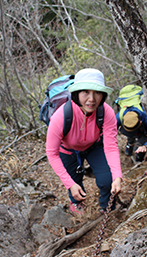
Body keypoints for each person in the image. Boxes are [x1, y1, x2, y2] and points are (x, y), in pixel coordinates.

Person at [46, 68, 122, 215]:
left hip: (94, 146)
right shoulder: (61, 116)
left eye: (97, 92)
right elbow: (52, 153)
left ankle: (107, 207)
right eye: (85, 92)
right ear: (77, 93)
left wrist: (117, 175)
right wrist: (70, 184)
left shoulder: (106, 112)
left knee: (108, 179)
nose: (92, 99)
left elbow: (111, 146)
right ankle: (77, 203)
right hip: (67, 150)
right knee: (74, 183)